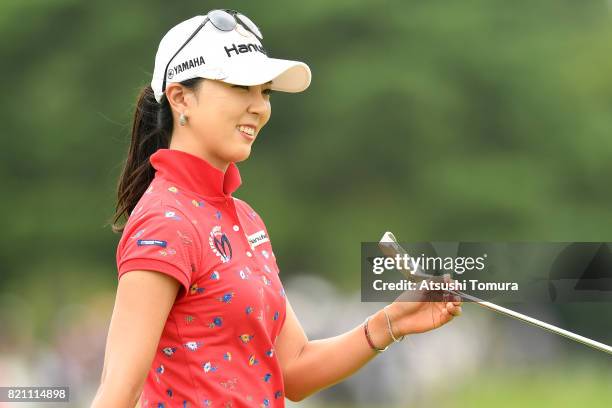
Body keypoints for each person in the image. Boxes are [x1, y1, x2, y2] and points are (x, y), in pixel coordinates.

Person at [91, 9, 462, 408]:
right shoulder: (165, 220)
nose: (259, 107)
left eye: (264, 91)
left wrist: (392, 322)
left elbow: (293, 370)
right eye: (240, 87)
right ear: (182, 97)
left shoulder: (244, 219)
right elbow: (119, 390)